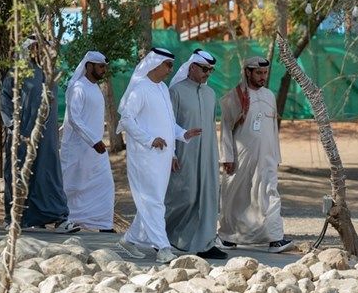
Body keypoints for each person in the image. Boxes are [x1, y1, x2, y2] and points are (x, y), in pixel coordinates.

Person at [116, 48, 203, 263]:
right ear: (155, 64)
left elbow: (166, 123)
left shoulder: (163, 88)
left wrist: (183, 134)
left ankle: (129, 240)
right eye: (167, 65)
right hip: (144, 155)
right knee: (154, 201)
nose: (170, 70)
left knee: (152, 200)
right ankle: (163, 248)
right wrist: (149, 139)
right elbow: (126, 120)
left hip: (162, 156)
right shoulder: (140, 89)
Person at [0, 38, 78, 233]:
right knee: (20, 173)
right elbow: (4, 98)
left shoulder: (51, 73)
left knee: (49, 174)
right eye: (38, 48)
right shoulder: (18, 72)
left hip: (47, 137)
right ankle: (17, 218)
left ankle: (59, 218)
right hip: (23, 134)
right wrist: (11, 125)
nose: (42, 52)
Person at [218, 55, 293, 253]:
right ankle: (228, 237)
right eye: (258, 73)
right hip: (241, 156)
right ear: (248, 72)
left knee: (269, 193)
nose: (262, 77)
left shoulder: (269, 95)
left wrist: (276, 155)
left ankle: (275, 238)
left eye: (265, 73)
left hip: (267, 157)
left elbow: (272, 129)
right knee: (237, 196)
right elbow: (226, 128)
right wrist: (227, 157)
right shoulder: (235, 97)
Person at [165, 48, 227, 259]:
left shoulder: (210, 93)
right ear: (192, 67)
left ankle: (206, 243)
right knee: (185, 196)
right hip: (185, 152)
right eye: (204, 69)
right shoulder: (176, 91)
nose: (207, 74)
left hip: (208, 153)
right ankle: (169, 237)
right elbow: (168, 124)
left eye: (210, 70)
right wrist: (172, 153)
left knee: (208, 196)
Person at [60, 50, 115, 231]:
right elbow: (75, 119)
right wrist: (93, 140)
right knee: (72, 186)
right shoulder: (78, 87)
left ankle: (103, 224)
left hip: (95, 148)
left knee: (104, 184)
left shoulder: (95, 88)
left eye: (104, 67)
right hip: (78, 147)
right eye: (100, 66)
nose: (103, 70)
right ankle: (63, 218)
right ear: (89, 66)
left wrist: (95, 142)